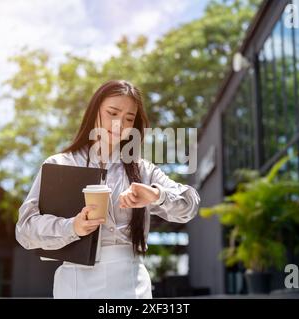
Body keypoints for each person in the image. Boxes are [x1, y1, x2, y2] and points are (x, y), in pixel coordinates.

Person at [15, 80, 200, 298]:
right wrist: (73, 226)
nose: (119, 124)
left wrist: (157, 195)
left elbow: (190, 205)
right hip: (77, 283)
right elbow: (25, 230)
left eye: (129, 119)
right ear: (94, 112)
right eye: (112, 113)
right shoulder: (60, 165)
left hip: (131, 285)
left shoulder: (141, 170)